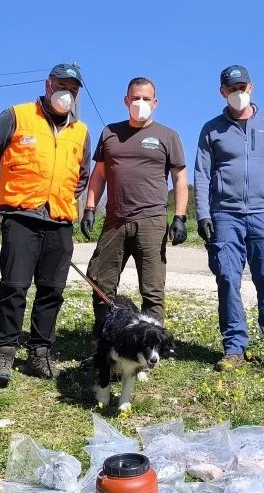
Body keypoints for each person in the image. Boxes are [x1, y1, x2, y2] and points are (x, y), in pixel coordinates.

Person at [0, 63, 91, 387]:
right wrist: (7, 187)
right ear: (48, 84)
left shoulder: (81, 131)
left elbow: (82, 174)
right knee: (14, 286)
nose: (66, 93)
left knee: (52, 290)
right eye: (62, 86)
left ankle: (40, 351)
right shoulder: (17, 115)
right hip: (21, 216)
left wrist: (64, 196)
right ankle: (4, 353)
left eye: (73, 89)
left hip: (60, 219)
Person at [194, 65, 264, 372]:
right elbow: (201, 174)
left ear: (251, 88)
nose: (238, 93)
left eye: (242, 88)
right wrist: (203, 214)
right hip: (224, 216)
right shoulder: (211, 129)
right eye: (232, 89)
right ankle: (234, 348)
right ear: (222, 92)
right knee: (228, 279)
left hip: (262, 214)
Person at [82, 77, 188, 335]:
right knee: (101, 282)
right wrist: (90, 208)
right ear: (126, 100)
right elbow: (99, 175)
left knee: (152, 290)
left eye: (146, 98)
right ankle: (106, 339)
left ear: (155, 102)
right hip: (115, 221)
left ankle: (151, 345)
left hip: (151, 221)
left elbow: (180, 179)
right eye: (135, 98)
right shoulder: (109, 133)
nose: (140, 102)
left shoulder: (168, 136)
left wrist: (180, 217)